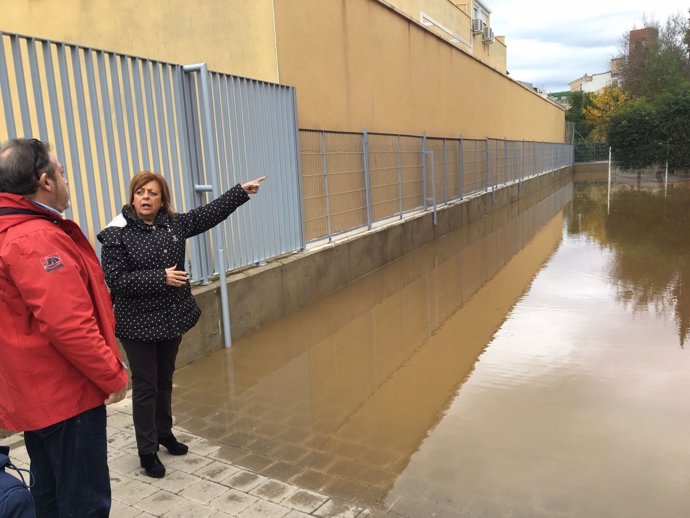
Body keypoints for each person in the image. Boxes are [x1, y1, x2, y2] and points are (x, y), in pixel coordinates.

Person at [97, 171, 265, 478]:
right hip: (138, 325)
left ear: (163, 201)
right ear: (132, 197)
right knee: (146, 387)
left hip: (170, 318)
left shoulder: (173, 223)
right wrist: (161, 277)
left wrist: (240, 191)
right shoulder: (116, 232)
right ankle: (147, 450)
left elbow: (208, 214)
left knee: (164, 380)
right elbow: (116, 280)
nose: (145, 197)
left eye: (152, 193)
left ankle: (164, 433)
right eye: (140, 192)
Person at [0, 138, 129, 517]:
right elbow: (69, 325)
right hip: (65, 397)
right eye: (62, 172)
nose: (66, 179)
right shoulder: (35, 239)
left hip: (36, 397)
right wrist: (113, 375)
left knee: (51, 495)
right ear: (46, 181)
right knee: (84, 502)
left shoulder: (13, 230)